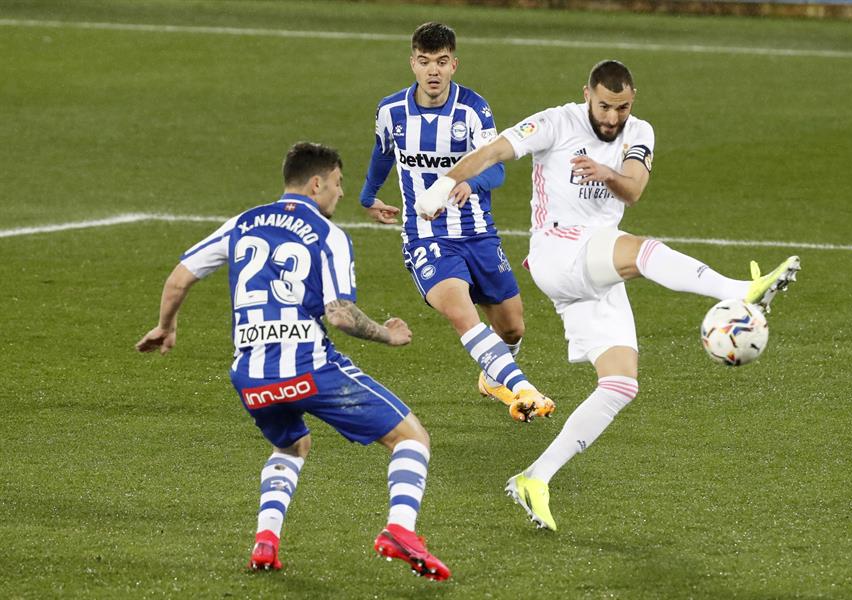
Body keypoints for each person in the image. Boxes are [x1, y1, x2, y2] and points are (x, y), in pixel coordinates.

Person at [414, 60, 801, 531]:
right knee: (642, 251)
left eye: (622, 107)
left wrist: (604, 172)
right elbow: (493, 152)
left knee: (620, 384)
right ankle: (742, 290)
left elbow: (634, 189)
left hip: (597, 266)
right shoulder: (557, 122)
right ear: (587, 95)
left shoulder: (639, 131)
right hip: (559, 250)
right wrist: (444, 183)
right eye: (604, 106)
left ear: (632, 100)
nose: (613, 117)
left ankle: (535, 478)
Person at [136, 142, 450, 580]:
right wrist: (388, 334)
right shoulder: (328, 234)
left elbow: (178, 278)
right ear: (317, 183)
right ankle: (400, 529)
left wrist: (165, 327)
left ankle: (266, 541)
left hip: (251, 377)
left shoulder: (242, 223)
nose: (341, 194)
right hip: (308, 367)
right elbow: (340, 314)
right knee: (412, 438)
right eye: (338, 184)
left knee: (291, 445)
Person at [359, 21, 553, 422]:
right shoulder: (390, 110)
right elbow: (382, 154)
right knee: (461, 312)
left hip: (478, 233)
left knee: (513, 328)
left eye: (442, 62)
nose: (433, 71)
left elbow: (497, 169)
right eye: (425, 61)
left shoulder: (473, 109)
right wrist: (367, 195)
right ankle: (523, 390)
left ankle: (492, 375)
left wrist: (472, 183)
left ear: (454, 65)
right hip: (426, 236)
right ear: (412, 63)